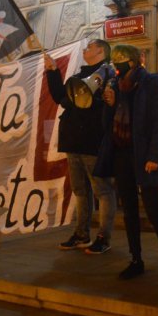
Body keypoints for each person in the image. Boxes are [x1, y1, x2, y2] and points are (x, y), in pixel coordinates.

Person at [94, 44, 158, 281]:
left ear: (132, 63)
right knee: (130, 211)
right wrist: (110, 105)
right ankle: (136, 259)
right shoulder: (115, 86)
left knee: (153, 210)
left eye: (119, 63)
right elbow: (106, 126)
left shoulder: (152, 82)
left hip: (144, 155)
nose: (116, 68)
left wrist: (154, 155)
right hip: (122, 155)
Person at [44, 39, 117, 254]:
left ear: (101, 51)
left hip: (93, 140)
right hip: (73, 140)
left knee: (102, 190)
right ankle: (81, 234)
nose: (85, 50)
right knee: (80, 190)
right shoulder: (78, 77)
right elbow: (61, 98)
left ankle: (104, 236)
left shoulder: (108, 76)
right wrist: (53, 72)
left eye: (90, 47)